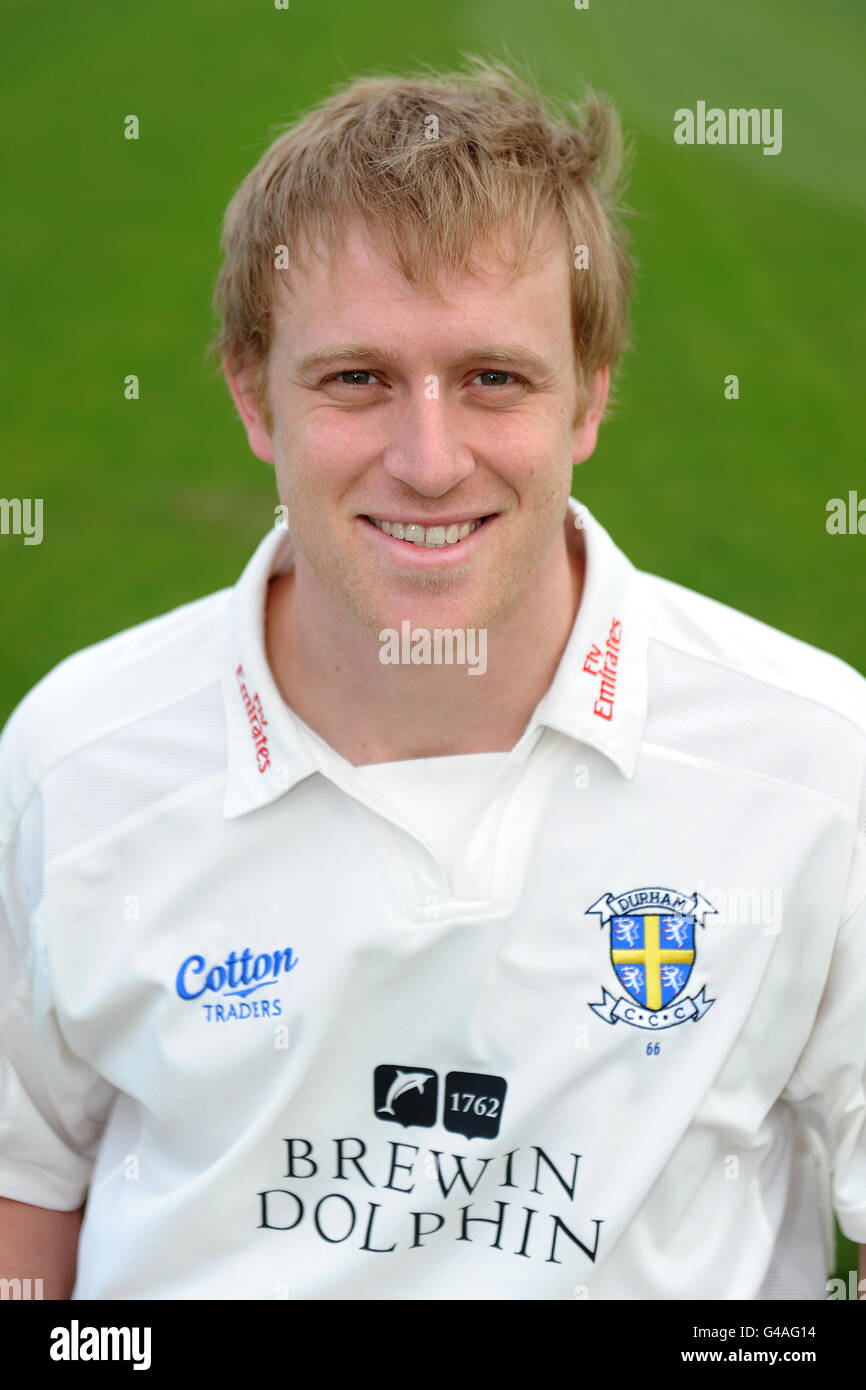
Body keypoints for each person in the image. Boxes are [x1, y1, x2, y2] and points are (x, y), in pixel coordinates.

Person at [0, 57, 863, 1302]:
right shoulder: (79, 757)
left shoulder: (809, 762)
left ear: (588, 397)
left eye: (491, 379)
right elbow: (25, 1187)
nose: (427, 457)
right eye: (355, 379)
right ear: (253, 395)